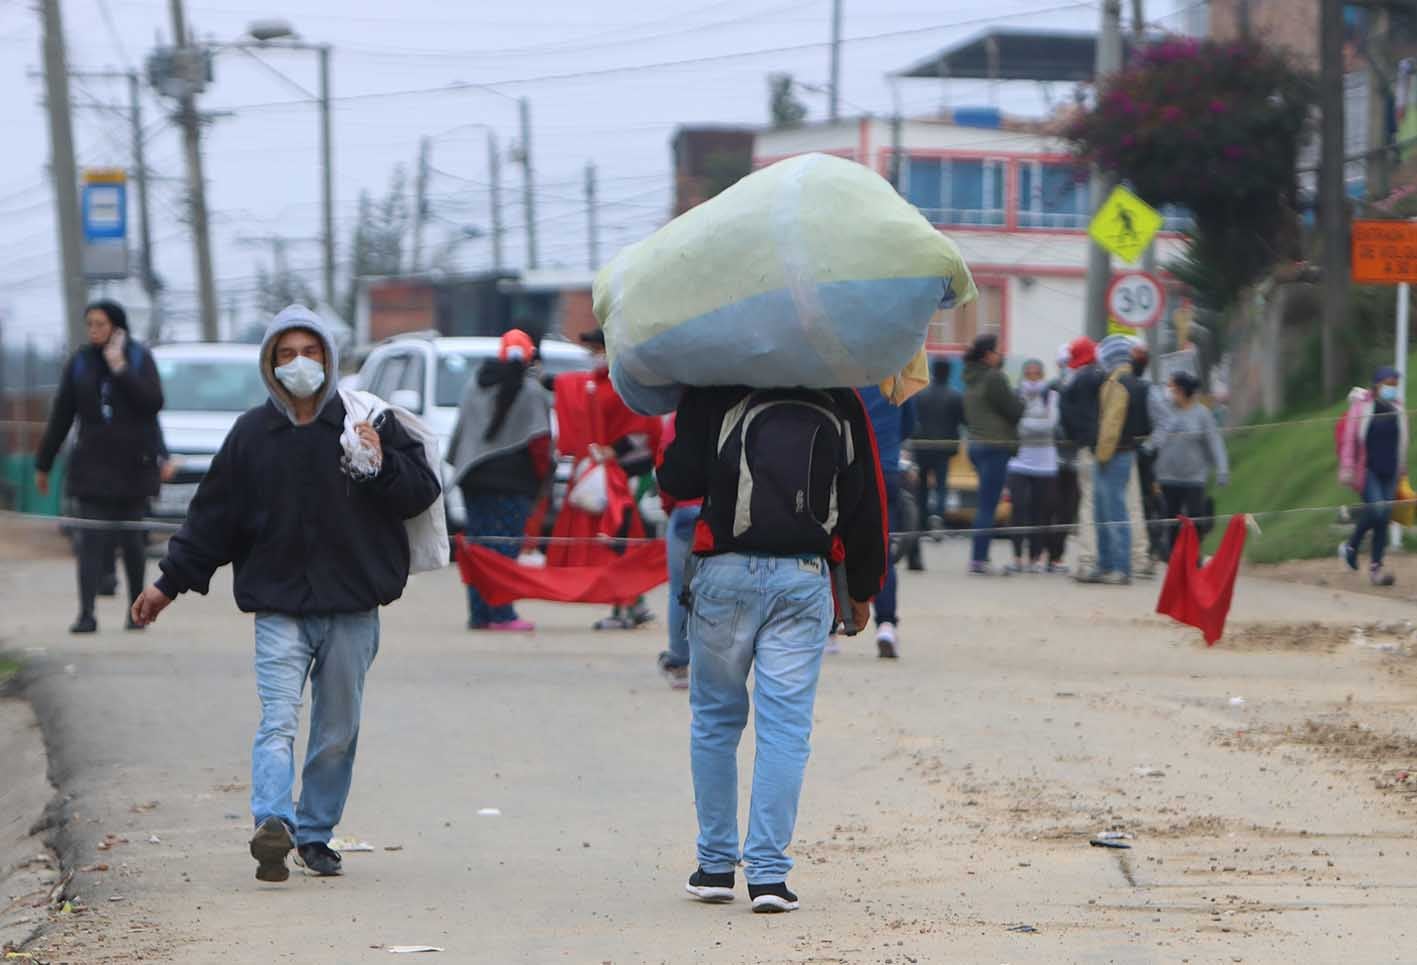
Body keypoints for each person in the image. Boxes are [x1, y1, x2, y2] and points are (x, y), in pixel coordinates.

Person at [129, 306, 440, 883]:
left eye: (312, 351)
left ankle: (317, 834)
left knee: (336, 729)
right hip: (278, 606)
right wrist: (166, 585)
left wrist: (378, 463)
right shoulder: (252, 435)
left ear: (330, 358)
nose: (301, 364)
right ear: (271, 365)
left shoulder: (365, 422)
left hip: (351, 604)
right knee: (277, 721)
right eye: (287, 353)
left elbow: (422, 491)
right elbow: (212, 521)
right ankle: (273, 824)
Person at [658, 384, 887, 914]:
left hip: (724, 574)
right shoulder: (838, 393)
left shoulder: (715, 385)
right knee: (785, 726)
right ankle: (767, 877)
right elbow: (866, 497)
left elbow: (677, 480)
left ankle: (715, 866)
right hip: (803, 578)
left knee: (716, 720)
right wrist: (862, 587)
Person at [35, 300, 165, 634]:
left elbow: (152, 403)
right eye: (90, 324)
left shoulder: (138, 358)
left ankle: (136, 612)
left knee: (133, 541)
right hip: (92, 468)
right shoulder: (79, 364)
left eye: (101, 324)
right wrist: (44, 463)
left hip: (133, 468)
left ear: (117, 327)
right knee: (89, 540)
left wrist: (120, 368)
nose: (94, 331)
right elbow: (62, 415)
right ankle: (86, 612)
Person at [551, 330, 662, 629]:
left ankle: (626, 606)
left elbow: (640, 430)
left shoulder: (626, 385)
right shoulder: (599, 384)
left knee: (622, 537)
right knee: (618, 539)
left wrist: (610, 450)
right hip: (610, 472)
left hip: (629, 473)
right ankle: (630, 603)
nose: (593, 355)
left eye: (597, 348)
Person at [448, 329, 552, 631]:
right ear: (530, 356)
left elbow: (461, 433)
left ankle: (480, 615)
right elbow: (540, 444)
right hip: (512, 484)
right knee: (504, 549)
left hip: (474, 480)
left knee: (479, 547)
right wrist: (543, 481)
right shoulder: (532, 391)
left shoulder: (475, 382)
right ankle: (502, 614)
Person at [1075, 334, 1152, 585]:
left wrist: (1102, 455)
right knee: (1104, 510)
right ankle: (1106, 564)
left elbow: (1111, 424)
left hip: (1112, 454)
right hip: (1124, 451)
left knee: (1112, 512)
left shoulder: (1116, 383)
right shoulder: (1135, 381)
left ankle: (1119, 567)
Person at [1145, 372, 1228, 560]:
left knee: (1196, 519)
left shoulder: (1202, 414)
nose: (1169, 392)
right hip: (1167, 477)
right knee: (1171, 521)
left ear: (1181, 391)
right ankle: (1174, 558)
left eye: (1172, 388)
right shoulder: (1165, 410)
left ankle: (1193, 555)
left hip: (1194, 478)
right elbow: (1154, 437)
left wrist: (1222, 468)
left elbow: (1214, 442)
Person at [1339, 367, 1409, 586]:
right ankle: (1352, 545)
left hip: (1390, 470)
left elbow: (1402, 441)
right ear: (1377, 384)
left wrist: (1402, 468)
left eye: (1395, 384)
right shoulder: (1362, 407)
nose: (1392, 388)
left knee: (1383, 519)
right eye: (1388, 383)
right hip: (1367, 469)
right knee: (1377, 510)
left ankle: (1375, 568)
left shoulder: (1398, 408)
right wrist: (1348, 467)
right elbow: (1350, 439)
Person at [860, 384, 916, 658]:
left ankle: (831, 628)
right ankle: (886, 624)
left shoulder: (842, 376)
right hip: (886, 469)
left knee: (835, 547)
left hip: (848, 469)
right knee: (883, 551)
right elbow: (908, 426)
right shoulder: (894, 381)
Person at [962, 334, 1024, 575]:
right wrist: (1021, 401)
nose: (1001, 356)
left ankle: (978, 557)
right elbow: (1014, 410)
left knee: (984, 502)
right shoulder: (995, 377)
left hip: (976, 445)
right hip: (995, 445)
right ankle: (979, 559)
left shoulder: (970, 377)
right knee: (988, 505)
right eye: (997, 351)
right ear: (988, 355)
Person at [656, 412, 699, 689]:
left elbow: (664, 464)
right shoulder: (736, 406)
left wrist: (670, 506)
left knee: (680, 592)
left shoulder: (679, 417)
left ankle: (680, 663)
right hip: (722, 514)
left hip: (685, 510)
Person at [1005, 359, 1060, 573]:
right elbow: (1014, 424)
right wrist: (1034, 425)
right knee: (1018, 509)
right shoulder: (1016, 394)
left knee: (1041, 512)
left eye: (1037, 373)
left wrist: (1026, 423)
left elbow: (1051, 425)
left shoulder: (1051, 396)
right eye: (1029, 373)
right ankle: (1017, 557)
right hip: (1019, 461)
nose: (1033, 377)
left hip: (1045, 463)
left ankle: (1036, 557)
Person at [1059, 336, 1101, 574]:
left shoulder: (1072, 381)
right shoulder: (1097, 378)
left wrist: (1077, 435)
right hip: (1099, 446)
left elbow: (1064, 414)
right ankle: (1090, 557)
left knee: (1087, 500)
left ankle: (1088, 557)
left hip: (1083, 446)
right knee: (1093, 503)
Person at [909, 359, 963, 531]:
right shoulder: (955, 395)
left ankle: (921, 521)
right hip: (944, 448)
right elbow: (963, 420)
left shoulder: (920, 394)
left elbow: (913, 420)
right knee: (941, 486)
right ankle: (938, 519)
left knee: (922, 488)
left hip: (922, 447)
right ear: (948, 372)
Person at [1043, 343, 1080, 572]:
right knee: (1050, 507)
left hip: (1075, 460)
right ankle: (1047, 554)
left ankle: (1057, 556)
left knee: (1068, 509)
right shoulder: (1051, 388)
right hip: (1051, 459)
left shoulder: (1083, 388)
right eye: (1064, 363)